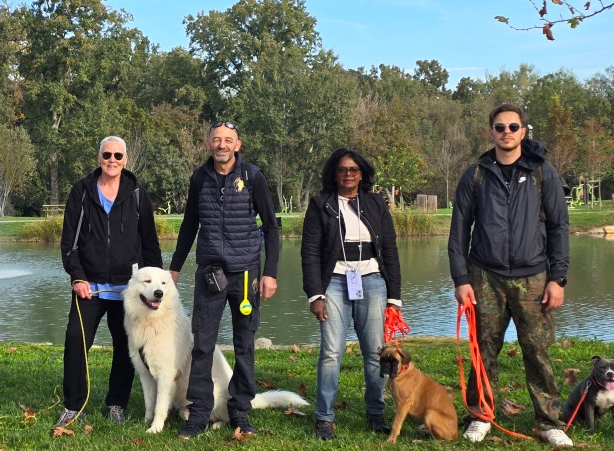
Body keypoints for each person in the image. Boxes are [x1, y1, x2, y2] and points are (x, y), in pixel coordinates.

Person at [449, 103, 572, 447]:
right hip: (484, 275)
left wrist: (557, 278)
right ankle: (481, 415)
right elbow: (459, 230)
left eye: (513, 127)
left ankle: (549, 421)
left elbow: (560, 226)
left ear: (523, 131)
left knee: (537, 351)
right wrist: (461, 280)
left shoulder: (541, 172)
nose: (507, 132)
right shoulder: (475, 174)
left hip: (534, 275)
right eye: (500, 127)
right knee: (483, 350)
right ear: (491, 131)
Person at [169, 121, 280, 439]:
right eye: (216, 139)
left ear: (238, 144)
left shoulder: (252, 177)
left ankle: (240, 412)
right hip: (209, 275)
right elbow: (190, 224)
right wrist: (175, 267)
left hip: (246, 276)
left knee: (245, 345)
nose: (221, 145)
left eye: (227, 140)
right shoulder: (199, 178)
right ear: (208, 145)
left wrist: (269, 272)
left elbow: (271, 227)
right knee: (202, 346)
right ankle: (198, 413)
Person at [55, 136, 163, 428]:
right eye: (107, 154)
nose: (112, 160)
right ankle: (73, 405)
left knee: (126, 348)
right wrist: (77, 277)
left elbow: (150, 243)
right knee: (76, 342)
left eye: (118, 155)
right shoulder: (81, 191)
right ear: (99, 157)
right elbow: (70, 242)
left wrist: (157, 286)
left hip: (130, 291)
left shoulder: (137, 194)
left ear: (125, 160)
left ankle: (117, 403)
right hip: (89, 288)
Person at [300, 148, 402, 441]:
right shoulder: (321, 205)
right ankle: (324, 417)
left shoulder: (375, 203)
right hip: (333, 281)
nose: (348, 174)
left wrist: (394, 296)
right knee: (331, 352)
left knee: (375, 352)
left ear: (362, 174)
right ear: (334, 173)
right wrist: (315, 294)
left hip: (372, 280)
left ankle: (376, 413)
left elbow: (391, 251)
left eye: (354, 170)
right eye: (343, 169)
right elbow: (309, 253)